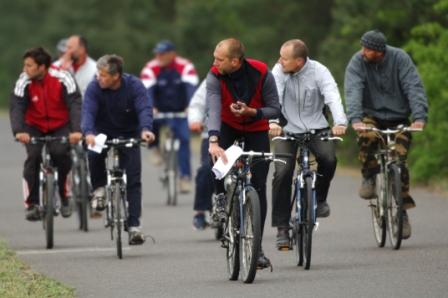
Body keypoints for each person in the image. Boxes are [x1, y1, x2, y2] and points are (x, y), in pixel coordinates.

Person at [344, 29, 428, 239]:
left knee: (399, 161)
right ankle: (369, 175)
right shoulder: (357, 62)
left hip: (399, 117)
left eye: (368, 49)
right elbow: (353, 89)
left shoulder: (400, 58)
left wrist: (419, 117)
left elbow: (413, 86)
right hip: (371, 116)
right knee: (367, 137)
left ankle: (402, 212)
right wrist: (355, 119)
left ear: (379, 51)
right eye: (363, 47)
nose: (363, 51)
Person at [207, 38, 281, 268]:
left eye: (219, 59)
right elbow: (213, 106)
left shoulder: (261, 72)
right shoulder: (215, 75)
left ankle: (257, 249)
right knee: (213, 157)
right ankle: (220, 198)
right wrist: (213, 140)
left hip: (256, 128)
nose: (214, 62)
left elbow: (274, 108)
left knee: (259, 188)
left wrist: (252, 111)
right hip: (227, 127)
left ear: (235, 61)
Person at [269, 39, 347, 250]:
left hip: (316, 127)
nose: (279, 61)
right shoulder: (279, 71)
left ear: (299, 61)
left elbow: (332, 95)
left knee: (329, 159)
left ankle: (319, 200)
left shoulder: (320, 71)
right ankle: (282, 228)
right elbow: (272, 96)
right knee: (282, 173)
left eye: (284, 58)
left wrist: (339, 122)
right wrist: (273, 122)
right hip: (286, 129)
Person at [82, 54, 155, 245]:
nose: (99, 78)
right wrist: (89, 132)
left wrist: (146, 129)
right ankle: (98, 189)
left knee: (133, 178)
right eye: (98, 74)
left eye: (103, 75)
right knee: (93, 152)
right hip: (101, 133)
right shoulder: (94, 87)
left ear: (116, 76)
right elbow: (88, 111)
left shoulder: (134, 86)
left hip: (129, 133)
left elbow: (144, 108)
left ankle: (134, 227)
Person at [10, 47, 82, 221]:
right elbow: (17, 106)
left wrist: (77, 130)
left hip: (60, 125)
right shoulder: (24, 81)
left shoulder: (63, 77)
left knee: (60, 154)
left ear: (42, 67)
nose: (24, 69)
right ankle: (32, 204)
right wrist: (19, 131)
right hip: (33, 125)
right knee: (33, 156)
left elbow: (74, 104)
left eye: (29, 66)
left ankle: (65, 196)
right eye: (24, 65)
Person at [140, 40, 199, 193]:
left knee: (184, 139)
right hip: (158, 110)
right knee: (148, 121)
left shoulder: (185, 66)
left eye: (163, 53)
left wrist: (190, 106)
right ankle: (155, 149)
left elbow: (191, 88)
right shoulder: (150, 68)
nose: (159, 56)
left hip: (180, 110)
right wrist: (151, 107)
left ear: (172, 54)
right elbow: (147, 91)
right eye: (157, 53)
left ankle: (185, 177)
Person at [189, 80, 214, 230]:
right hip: (211, 135)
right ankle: (200, 212)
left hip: (241, 134)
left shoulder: (249, 79)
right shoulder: (211, 81)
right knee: (205, 169)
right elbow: (197, 104)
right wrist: (195, 120)